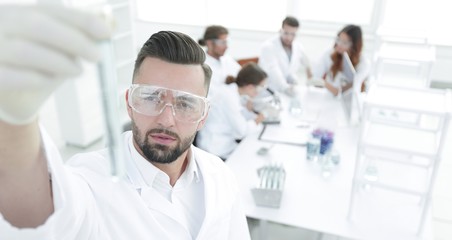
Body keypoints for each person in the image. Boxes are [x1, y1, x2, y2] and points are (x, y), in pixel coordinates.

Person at [0, 4, 251, 240]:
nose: (166, 119)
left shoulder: (220, 175)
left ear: (203, 116)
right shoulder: (91, 178)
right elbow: (41, 218)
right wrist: (15, 121)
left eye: (185, 104)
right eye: (151, 97)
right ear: (129, 102)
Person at [196, 63, 266, 160]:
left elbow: (243, 117)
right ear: (250, 86)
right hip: (215, 148)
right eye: (260, 87)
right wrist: (259, 119)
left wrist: (250, 110)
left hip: (224, 143)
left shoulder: (234, 92)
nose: (260, 91)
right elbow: (242, 131)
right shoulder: (229, 97)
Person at [258, 16, 312, 95]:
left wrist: (308, 76)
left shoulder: (298, 47)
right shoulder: (268, 47)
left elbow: (306, 63)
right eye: (286, 33)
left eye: (293, 34)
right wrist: (285, 87)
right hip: (268, 90)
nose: (289, 38)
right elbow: (273, 70)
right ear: (281, 30)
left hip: (285, 91)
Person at [312, 24, 370, 96]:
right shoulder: (330, 53)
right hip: (329, 97)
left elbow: (346, 90)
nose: (339, 45)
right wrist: (319, 81)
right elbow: (315, 76)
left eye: (344, 43)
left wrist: (325, 84)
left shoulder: (363, 63)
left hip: (349, 101)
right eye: (338, 40)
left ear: (354, 46)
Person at [198, 25, 241, 91]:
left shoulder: (228, 59)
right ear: (209, 43)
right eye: (222, 42)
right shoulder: (201, 64)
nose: (226, 47)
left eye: (226, 42)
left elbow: (242, 76)